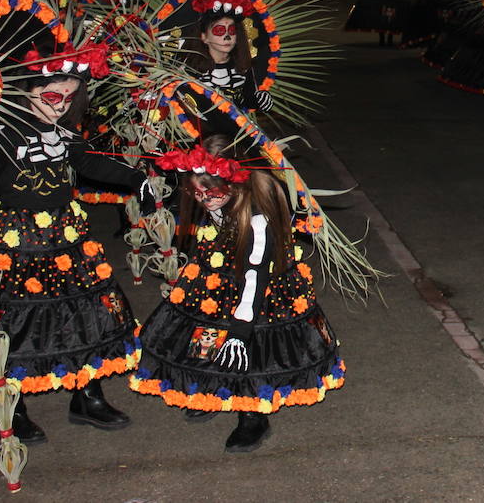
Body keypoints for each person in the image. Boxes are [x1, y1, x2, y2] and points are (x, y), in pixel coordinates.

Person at [0, 43, 155, 443]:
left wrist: (138, 178)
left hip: (66, 239)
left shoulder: (65, 132)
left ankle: (87, 395)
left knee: (82, 314)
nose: (60, 106)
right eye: (53, 96)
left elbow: (89, 163)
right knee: (13, 321)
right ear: (28, 91)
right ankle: (13, 406)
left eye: (70, 98)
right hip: (13, 243)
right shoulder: (0, 131)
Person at [130, 136, 344, 453]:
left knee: (250, 350)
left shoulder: (259, 220)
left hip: (258, 290)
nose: (205, 200)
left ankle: (252, 415)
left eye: (213, 193)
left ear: (235, 183)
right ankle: (209, 388)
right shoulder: (206, 194)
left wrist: (241, 329)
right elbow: (170, 200)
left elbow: (255, 277)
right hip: (216, 278)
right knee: (202, 331)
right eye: (197, 193)